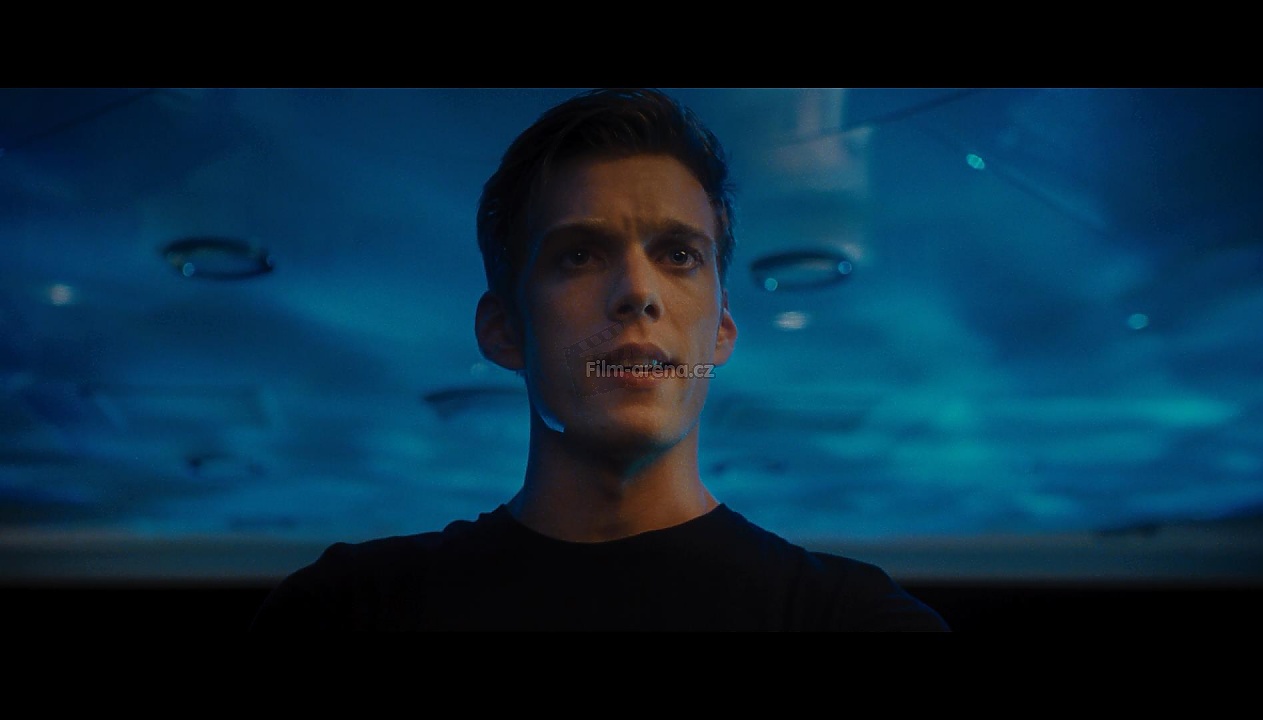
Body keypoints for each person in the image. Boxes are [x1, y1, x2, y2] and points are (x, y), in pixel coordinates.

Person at [251, 88, 950, 631]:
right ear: (503, 329)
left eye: (679, 255)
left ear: (722, 329)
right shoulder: (350, 613)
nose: (637, 293)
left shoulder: (854, 624)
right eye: (580, 255)